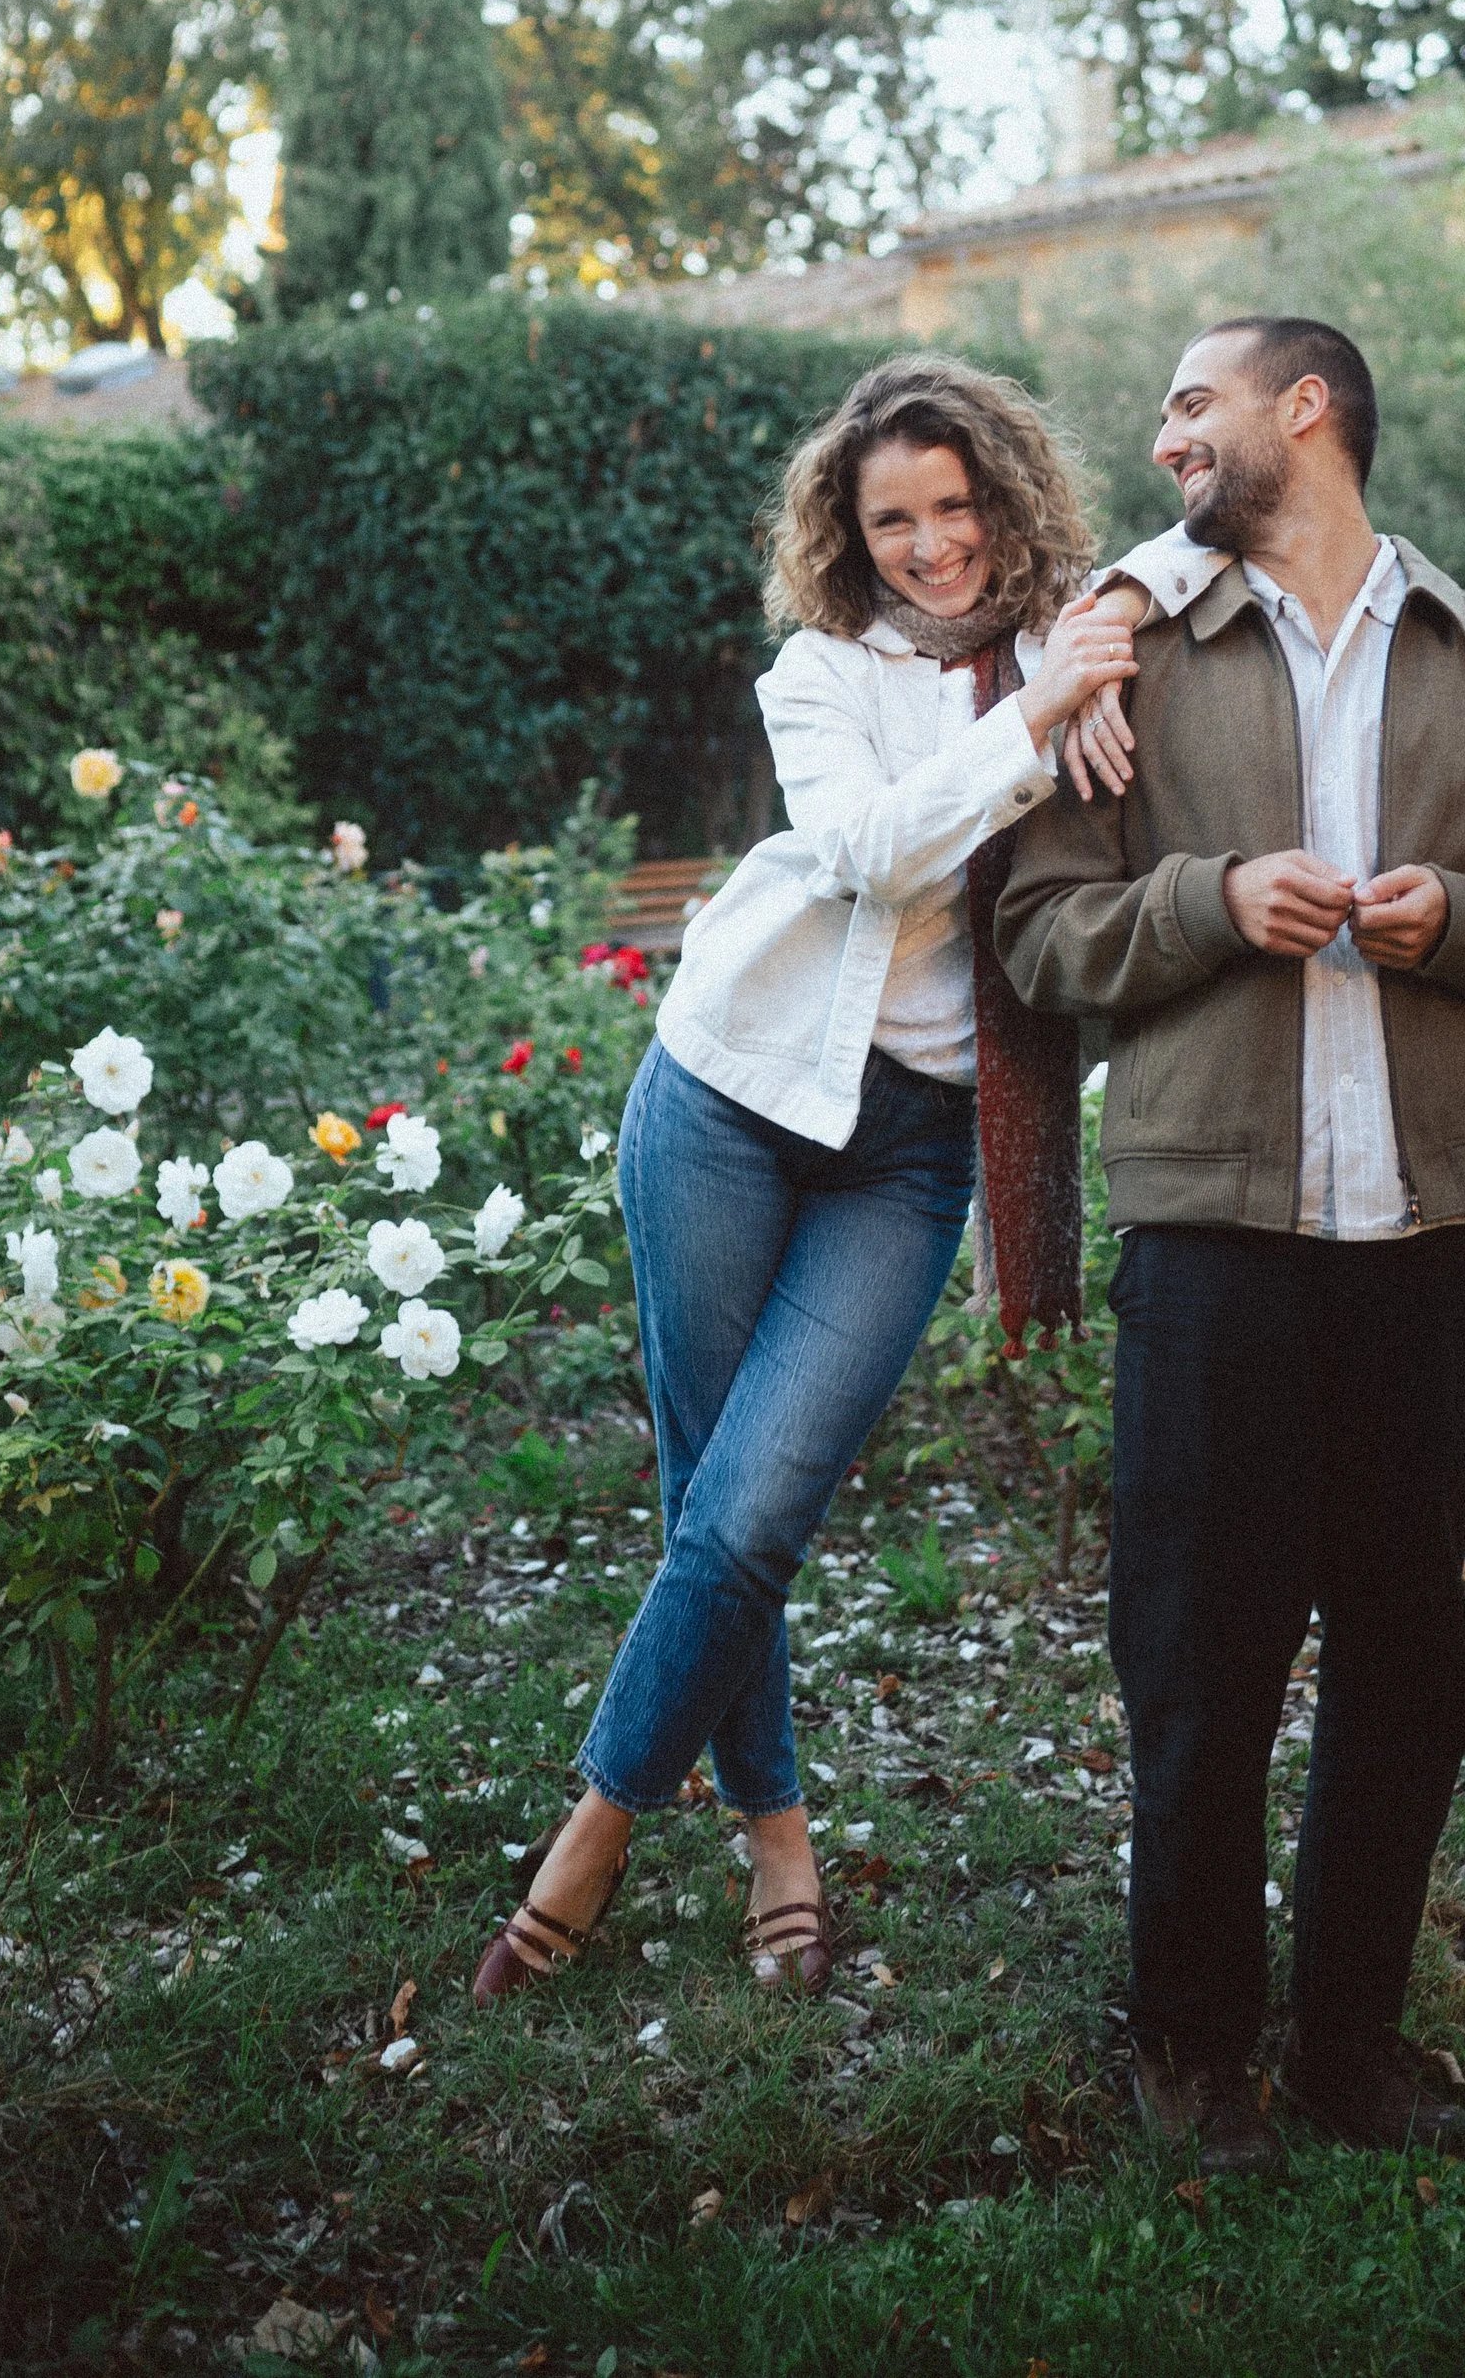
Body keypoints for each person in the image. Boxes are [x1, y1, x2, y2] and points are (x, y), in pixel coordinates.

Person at [997, 316, 1465, 2172]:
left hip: (1432, 1239)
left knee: (1400, 1652)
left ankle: (1353, 2039)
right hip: (1218, 1235)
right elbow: (1040, 941)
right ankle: (1196, 2049)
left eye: (1191, 403)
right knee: (1200, 1657)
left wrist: (1457, 920)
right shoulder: (1127, 663)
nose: (1164, 439)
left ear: (1307, 411)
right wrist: (1212, 902)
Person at [474, 353, 1146, 2008]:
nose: (931, 547)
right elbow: (869, 853)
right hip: (728, 1091)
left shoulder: (1085, 651)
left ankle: (594, 1829)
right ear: (851, 537)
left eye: (957, 506)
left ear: (1008, 495)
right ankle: (776, 1827)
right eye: (893, 519)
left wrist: (1082, 675)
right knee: (717, 1502)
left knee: (758, 1503)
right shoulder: (822, 673)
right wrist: (1037, 721)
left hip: (908, 1156)